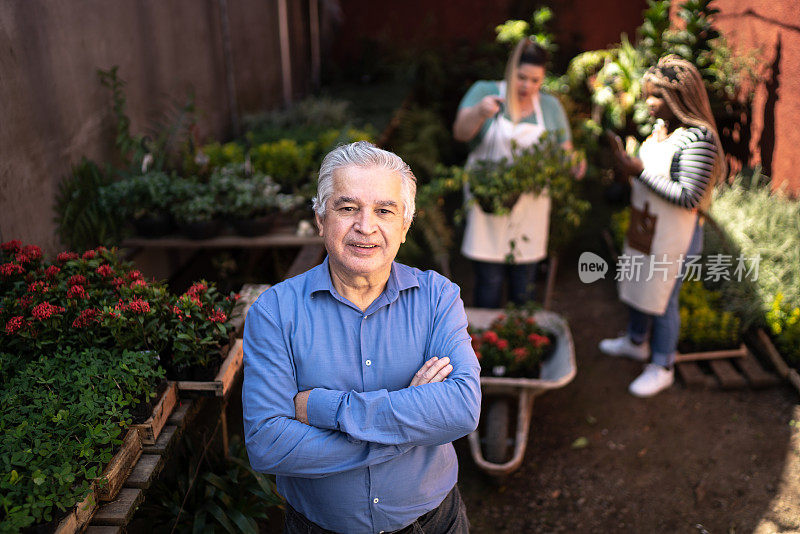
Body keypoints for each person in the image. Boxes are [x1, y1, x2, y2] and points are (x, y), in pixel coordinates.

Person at [242, 141, 481, 534]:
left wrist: (323, 409)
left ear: (405, 225)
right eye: (348, 208)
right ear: (321, 218)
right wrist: (410, 429)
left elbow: (462, 408)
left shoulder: (438, 297)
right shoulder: (275, 311)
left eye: (384, 211)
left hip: (435, 523)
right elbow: (268, 444)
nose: (365, 226)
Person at [599, 55, 727, 397]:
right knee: (641, 283)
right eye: (648, 94)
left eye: (656, 96)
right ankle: (636, 341)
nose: (648, 102)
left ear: (679, 98)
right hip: (648, 228)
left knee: (664, 298)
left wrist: (638, 171)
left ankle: (662, 365)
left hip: (676, 238)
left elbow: (689, 197)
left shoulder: (699, 138)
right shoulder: (664, 129)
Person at [453, 38, 582, 309]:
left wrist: (575, 164)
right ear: (510, 70)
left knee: (524, 288)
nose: (527, 86)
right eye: (521, 77)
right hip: (487, 207)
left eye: (535, 80)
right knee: (488, 283)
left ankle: (519, 344)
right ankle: (483, 348)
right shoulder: (485, 92)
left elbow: (564, 153)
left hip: (530, 210)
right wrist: (479, 112)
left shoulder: (550, 107)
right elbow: (460, 133)